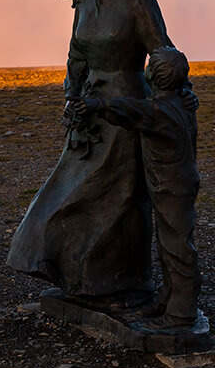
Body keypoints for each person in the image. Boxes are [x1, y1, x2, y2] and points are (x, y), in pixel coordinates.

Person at [6, 0, 193, 309]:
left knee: (119, 200)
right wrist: (71, 92)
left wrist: (180, 91)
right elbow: (76, 55)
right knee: (67, 193)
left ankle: (122, 285)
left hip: (126, 108)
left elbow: (163, 50)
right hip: (88, 113)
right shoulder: (85, 0)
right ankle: (81, 279)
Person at [68, 47, 201, 330]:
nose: (146, 70)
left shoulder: (159, 110)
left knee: (178, 248)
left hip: (172, 186)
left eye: (150, 67)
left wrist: (96, 105)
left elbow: (130, 110)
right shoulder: (183, 103)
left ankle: (181, 314)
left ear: (155, 76)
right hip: (176, 182)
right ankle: (167, 299)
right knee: (169, 244)